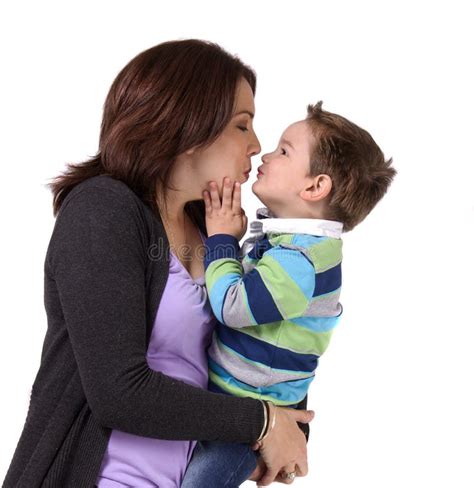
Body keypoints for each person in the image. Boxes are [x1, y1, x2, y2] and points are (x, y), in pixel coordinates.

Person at [1, 39, 314, 488]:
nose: (257, 145)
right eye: (242, 126)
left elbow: (254, 352)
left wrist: (288, 426)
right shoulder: (102, 211)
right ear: (189, 124)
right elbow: (119, 393)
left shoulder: (213, 236)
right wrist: (262, 422)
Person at [181, 102, 397, 487]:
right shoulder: (292, 243)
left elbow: (232, 306)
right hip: (236, 398)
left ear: (315, 186)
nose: (266, 153)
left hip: (248, 415)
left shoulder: (301, 259)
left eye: (284, 151)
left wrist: (220, 241)